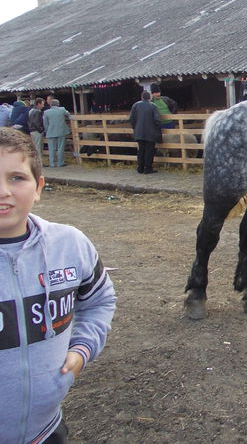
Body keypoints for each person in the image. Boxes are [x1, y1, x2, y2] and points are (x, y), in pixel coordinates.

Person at [0, 127, 116, 444]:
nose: (3, 191)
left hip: (46, 430)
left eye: (16, 178)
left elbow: (99, 300)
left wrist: (81, 350)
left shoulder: (70, 245)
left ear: (38, 187)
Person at [129, 89, 162, 174]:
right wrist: (157, 129)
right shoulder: (153, 106)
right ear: (150, 97)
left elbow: (131, 119)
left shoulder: (135, 105)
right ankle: (148, 168)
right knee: (149, 151)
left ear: (141, 97)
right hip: (150, 133)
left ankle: (140, 168)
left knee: (141, 151)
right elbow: (157, 119)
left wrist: (135, 128)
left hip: (139, 132)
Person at [42, 99, 71, 168]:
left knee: (51, 148)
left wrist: (47, 130)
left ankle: (52, 163)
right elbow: (68, 114)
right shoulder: (62, 109)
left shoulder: (46, 112)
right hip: (61, 131)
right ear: (58, 104)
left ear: (50, 104)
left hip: (51, 132)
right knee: (60, 147)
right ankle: (60, 163)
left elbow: (45, 123)